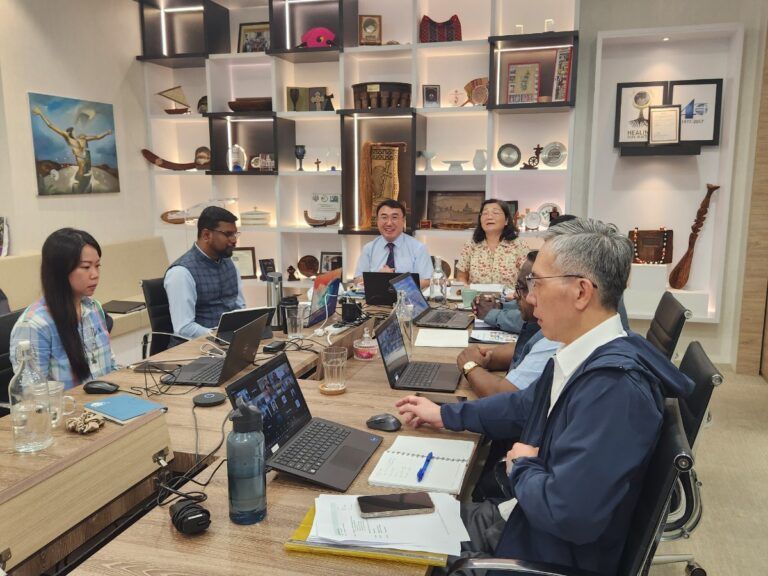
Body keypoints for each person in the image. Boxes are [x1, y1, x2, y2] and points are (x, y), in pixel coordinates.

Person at [396, 218, 694, 576]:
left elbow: (569, 514)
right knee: (394, 514)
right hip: (519, 520)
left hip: (536, 553)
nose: (529, 297)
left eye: (537, 282)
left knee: (376, 549)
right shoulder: (582, 353)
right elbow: (522, 405)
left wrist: (522, 466)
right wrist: (445, 415)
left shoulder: (614, 391)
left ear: (581, 292)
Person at [10, 228, 117, 389]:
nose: (95, 274)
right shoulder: (34, 325)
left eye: (97, 265)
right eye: (86, 267)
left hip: (106, 400)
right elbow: (32, 394)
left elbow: (111, 367)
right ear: (60, 270)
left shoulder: (93, 308)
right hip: (71, 405)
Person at [455, 250, 560, 398]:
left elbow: (503, 396)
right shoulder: (547, 328)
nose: (516, 295)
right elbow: (528, 349)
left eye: (524, 287)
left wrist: (470, 366)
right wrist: (488, 357)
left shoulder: (556, 339)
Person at [164, 206, 245, 340]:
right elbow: (184, 328)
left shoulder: (229, 264)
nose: (234, 240)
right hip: (196, 347)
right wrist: (220, 337)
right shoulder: (181, 273)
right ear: (206, 235)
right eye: (228, 234)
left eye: (235, 234)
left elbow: (239, 307)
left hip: (228, 342)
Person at [353, 199, 433, 288]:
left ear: (403, 221)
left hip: (408, 297)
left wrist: (394, 280)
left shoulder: (418, 248)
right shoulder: (369, 248)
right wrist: (378, 278)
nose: (389, 223)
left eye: (394, 217)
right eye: (384, 217)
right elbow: (357, 279)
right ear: (377, 221)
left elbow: (427, 281)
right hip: (375, 296)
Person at [32, 106, 112, 193]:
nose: (73, 131)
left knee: (87, 176)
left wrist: (107, 133)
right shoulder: (69, 138)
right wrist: (41, 114)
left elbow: (97, 137)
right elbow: (51, 126)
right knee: (82, 174)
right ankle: (77, 186)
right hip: (81, 163)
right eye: (70, 131)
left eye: (73, 130)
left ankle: (83, 188)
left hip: (87, 160)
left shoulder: (82, 138)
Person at [455, 199, 529, 290]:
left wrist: (517, 295)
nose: (489, 217)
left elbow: (528, 279)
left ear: (506, 220)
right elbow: (461, 276)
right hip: (476, 298)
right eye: (485, 213)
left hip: (509, 298)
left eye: (495, 213)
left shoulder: (519, 245)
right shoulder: (471, 245)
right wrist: (467, 291)